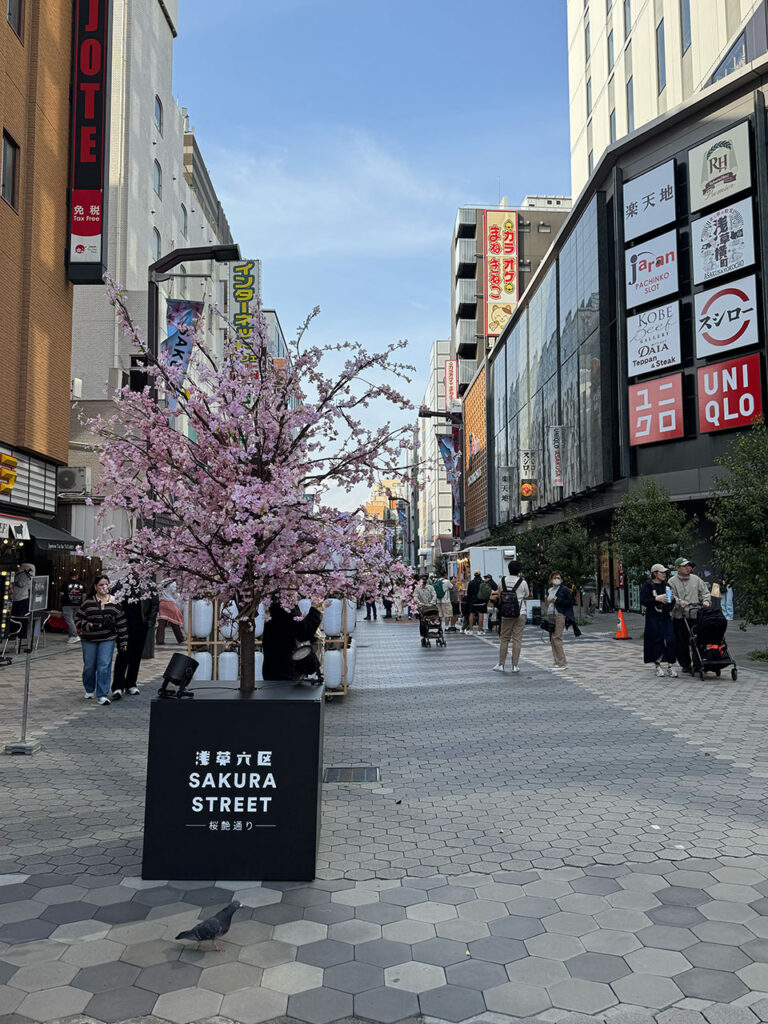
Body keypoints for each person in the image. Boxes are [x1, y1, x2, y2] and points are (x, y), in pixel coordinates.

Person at [75, 576, 128, 705]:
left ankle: (102, 694)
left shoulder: (115, 603)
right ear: (95, 587)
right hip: (89, 638)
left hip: (108, 638)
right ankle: (89, 688)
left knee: (104, 665)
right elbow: (77, 620)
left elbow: (121, 623)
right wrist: (89, 625)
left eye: (106, 584)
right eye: (100, 585)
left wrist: (123, 641)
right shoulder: (88, 603)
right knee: (89, 666)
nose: (103, 587)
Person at [111, 575, 158, 699]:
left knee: (136, 656)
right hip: (123, 626)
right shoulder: (120, 583)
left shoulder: (149, 585)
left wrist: (149, 622)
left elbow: (154, 603)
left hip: (141, 624)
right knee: (123, 654)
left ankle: (131, 683)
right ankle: (117, 686)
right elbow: (112, 601)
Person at [262, 595, 323, 681]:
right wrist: (315, 610)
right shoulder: (283, 605)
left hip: (278, 667)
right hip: (285, 670)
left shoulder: (280, 602)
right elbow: (303, 633)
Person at [669, 558, 710, 675]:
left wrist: (706, 601)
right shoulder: (672, 582)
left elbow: (705, 592)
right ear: (677, 568)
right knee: (682, 642)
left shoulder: (696, 579)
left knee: (698, 640)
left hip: (696, 614)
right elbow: (671, 596)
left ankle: (698, 663)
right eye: (684, 566)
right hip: (680, 616)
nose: (688, 568)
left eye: (689, 566)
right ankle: (685, 664)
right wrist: (679, 602)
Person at [640, 563, 678, 677]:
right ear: (655, 573)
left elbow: (671, 601)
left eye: (665, 572)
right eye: (662, 572)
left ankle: (671, 666)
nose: (664, 574)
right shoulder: (648, 586)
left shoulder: (666, 586)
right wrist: (656, 598)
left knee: (670, 639)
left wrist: (669, 601)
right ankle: (657, 666)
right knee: (656, 640)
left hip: (665, 616)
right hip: (653, 617)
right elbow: (643, 600)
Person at [491, 560, 529, 673]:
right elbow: (526, 594)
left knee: (504, 639)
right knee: (517, 639)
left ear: (509, 569)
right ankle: (515, 666)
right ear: (519, 571)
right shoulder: (523, 582)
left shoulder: (502, 581)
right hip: (520, 613)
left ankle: (501, 664)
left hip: (506, 613)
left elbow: (499, 593)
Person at [545, 571, 581, 670]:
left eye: (558, 578)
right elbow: (548, 602)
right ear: (551, 579)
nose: (557, 579)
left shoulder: (564, 590)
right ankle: (556, 661)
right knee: (552, 639)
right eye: (555, 578)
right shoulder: (550, 590)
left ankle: (562, 663)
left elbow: (570, 602)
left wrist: (558, 600)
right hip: (551, 615)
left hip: (559, 615)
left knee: (557, 637)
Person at [156, 579, 185, 645]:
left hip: (162, 603)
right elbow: (173, 593)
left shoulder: (162, 581)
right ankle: (180, 638)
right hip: (170, 603)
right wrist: (178, 595)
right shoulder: (173, 583)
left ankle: (159, 640)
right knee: (175, 620)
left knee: (162, 623)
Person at [60, 569, 84, 645]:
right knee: (73, 620)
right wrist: (81, 602)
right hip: (78, 604)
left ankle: (74, 635)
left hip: (67, 604)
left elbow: (61, 593)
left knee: (69, 620)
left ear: (70, 576)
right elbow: (84, 594)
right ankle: (71, 637)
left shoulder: (65, 583)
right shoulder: (81, 584)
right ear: (76, 576)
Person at [11, 562, 35, 638]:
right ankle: (16, 633)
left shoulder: (25, 576)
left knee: (20, 617)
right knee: (16, 617)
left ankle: (20, 633)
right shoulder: (22, 575)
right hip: (17, 598)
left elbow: (21, 584)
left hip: (22, 599)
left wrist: (13, 582)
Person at [464, 570, 490, 635]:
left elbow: (469, 593)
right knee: (481, 615)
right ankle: (479, 630)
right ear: (480, 574)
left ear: (474, 575)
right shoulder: (483, 582)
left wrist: (468, 601)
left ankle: (470, 630)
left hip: (473, 601)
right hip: (482, 601)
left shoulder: (471, 583)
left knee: (471, 615)